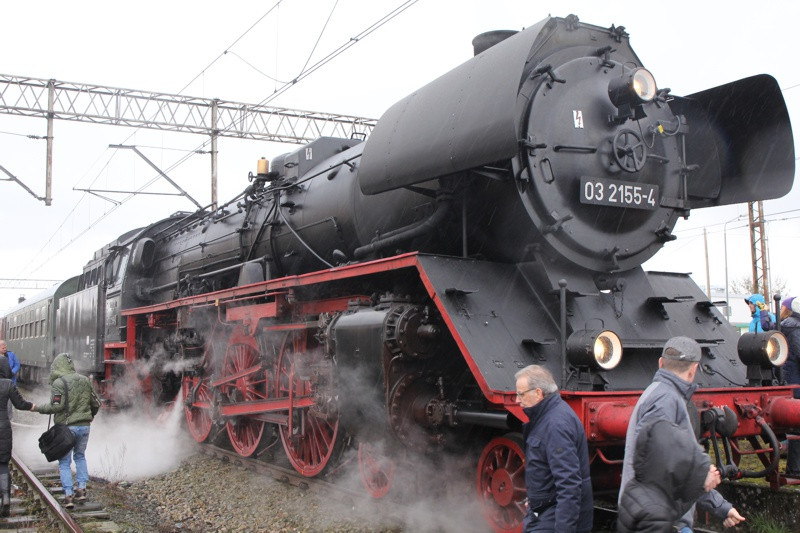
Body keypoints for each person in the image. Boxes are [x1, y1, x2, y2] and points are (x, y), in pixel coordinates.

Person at [619, 336, 745, 532]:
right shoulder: (665, 401)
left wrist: (721, 507)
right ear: (694, 369)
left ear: (660, 363)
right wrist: (701, 479)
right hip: (660, 520)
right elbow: (661, 468)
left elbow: (675, 464)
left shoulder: (661, 395)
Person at [515, 365, 593, 532]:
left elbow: (569, 484)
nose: (517, 400)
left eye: (521, 394)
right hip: (545, 511)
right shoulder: (550, 417)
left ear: (538, 393)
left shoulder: (555, 426)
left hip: (552, 517)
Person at [33, 353, 100, 509]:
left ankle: (68, 495)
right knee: (80, 456)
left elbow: (56, 406)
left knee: (64, 462)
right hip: (84, 426)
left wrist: (37, 408)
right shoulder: (84, 380)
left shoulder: (59, 382)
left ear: (57, 366)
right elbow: (96, 403)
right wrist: (90, 416)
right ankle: (81, 489)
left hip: (67, 428)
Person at [761, 296, 800, 476]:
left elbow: (766, 326)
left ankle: (794, 467)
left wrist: (763, 312)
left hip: (789, 379)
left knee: (794, 427)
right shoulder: (795, 326)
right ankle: (794, 468)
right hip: (795, 380)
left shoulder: (786, 325)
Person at [0, 371, 35, 516]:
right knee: (3, 464)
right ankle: (5, 497)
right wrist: (32, 406)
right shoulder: (8, 384)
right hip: (4, 428)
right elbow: (20, 404)